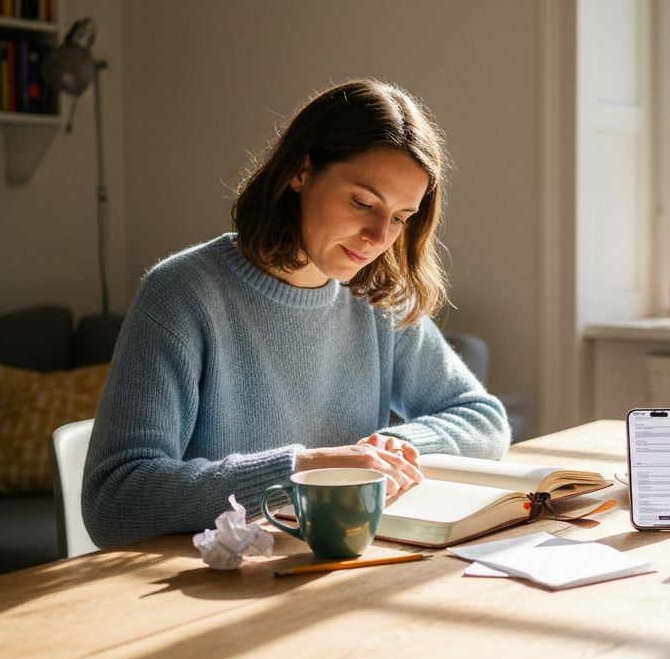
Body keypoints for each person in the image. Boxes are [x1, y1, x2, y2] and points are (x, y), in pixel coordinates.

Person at [82, 79, 510, 548]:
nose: (377, 236)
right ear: (300, 171)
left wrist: (380, 456)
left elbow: (483, 421)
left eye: (400, 217)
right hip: (210, 586)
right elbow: (114, 500)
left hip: (333, 569)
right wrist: (303, 469)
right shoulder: (182, 294)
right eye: (362, 202)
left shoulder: (378, 294)